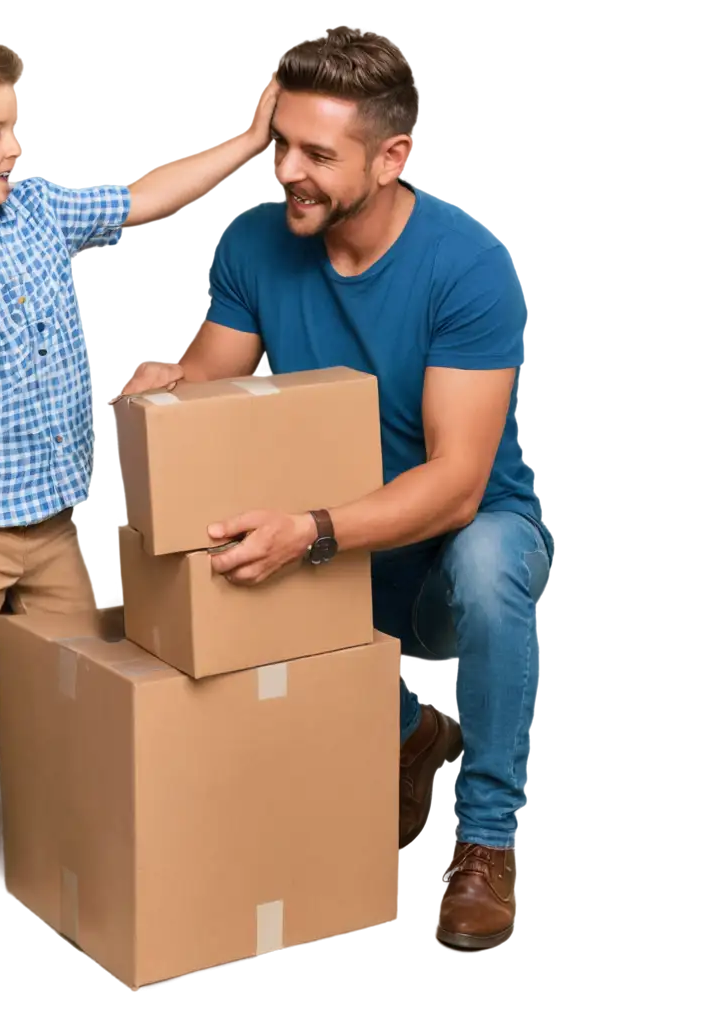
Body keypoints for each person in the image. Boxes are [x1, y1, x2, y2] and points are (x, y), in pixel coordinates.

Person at [114, 28, 552, 950]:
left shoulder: (466, 265)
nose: (288, 173)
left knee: (491, 565)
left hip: (438, 529)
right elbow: (216, 377)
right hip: (323, 520)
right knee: (194, 581)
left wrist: (311, 532)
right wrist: (169, 383)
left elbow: (458, 483)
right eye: (282, 144)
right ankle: (406, 734)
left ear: (392, 159)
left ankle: (484, 840)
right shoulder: (251, 243)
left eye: (318, 154)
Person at [0, 31, 279, 957]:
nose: (16, 149)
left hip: (52, 515)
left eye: (16, 128)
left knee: (80, 669)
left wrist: (247, 142)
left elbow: (146, 194)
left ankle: (70, 814)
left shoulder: (39, 210)